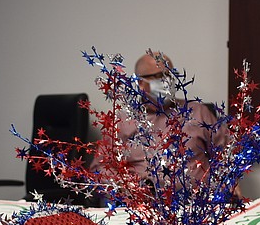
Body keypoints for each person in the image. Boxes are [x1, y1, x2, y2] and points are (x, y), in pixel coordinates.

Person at [90, 51, 231, 192]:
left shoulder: (198, 112)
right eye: (158, 76)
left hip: (196, 204)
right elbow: (99, 168)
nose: (166, 81)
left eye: (169, 74)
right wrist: (125, 186)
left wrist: (227, 182)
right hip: (142, 205)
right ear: (140, 83)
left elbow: (227, 152)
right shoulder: (122, 120)